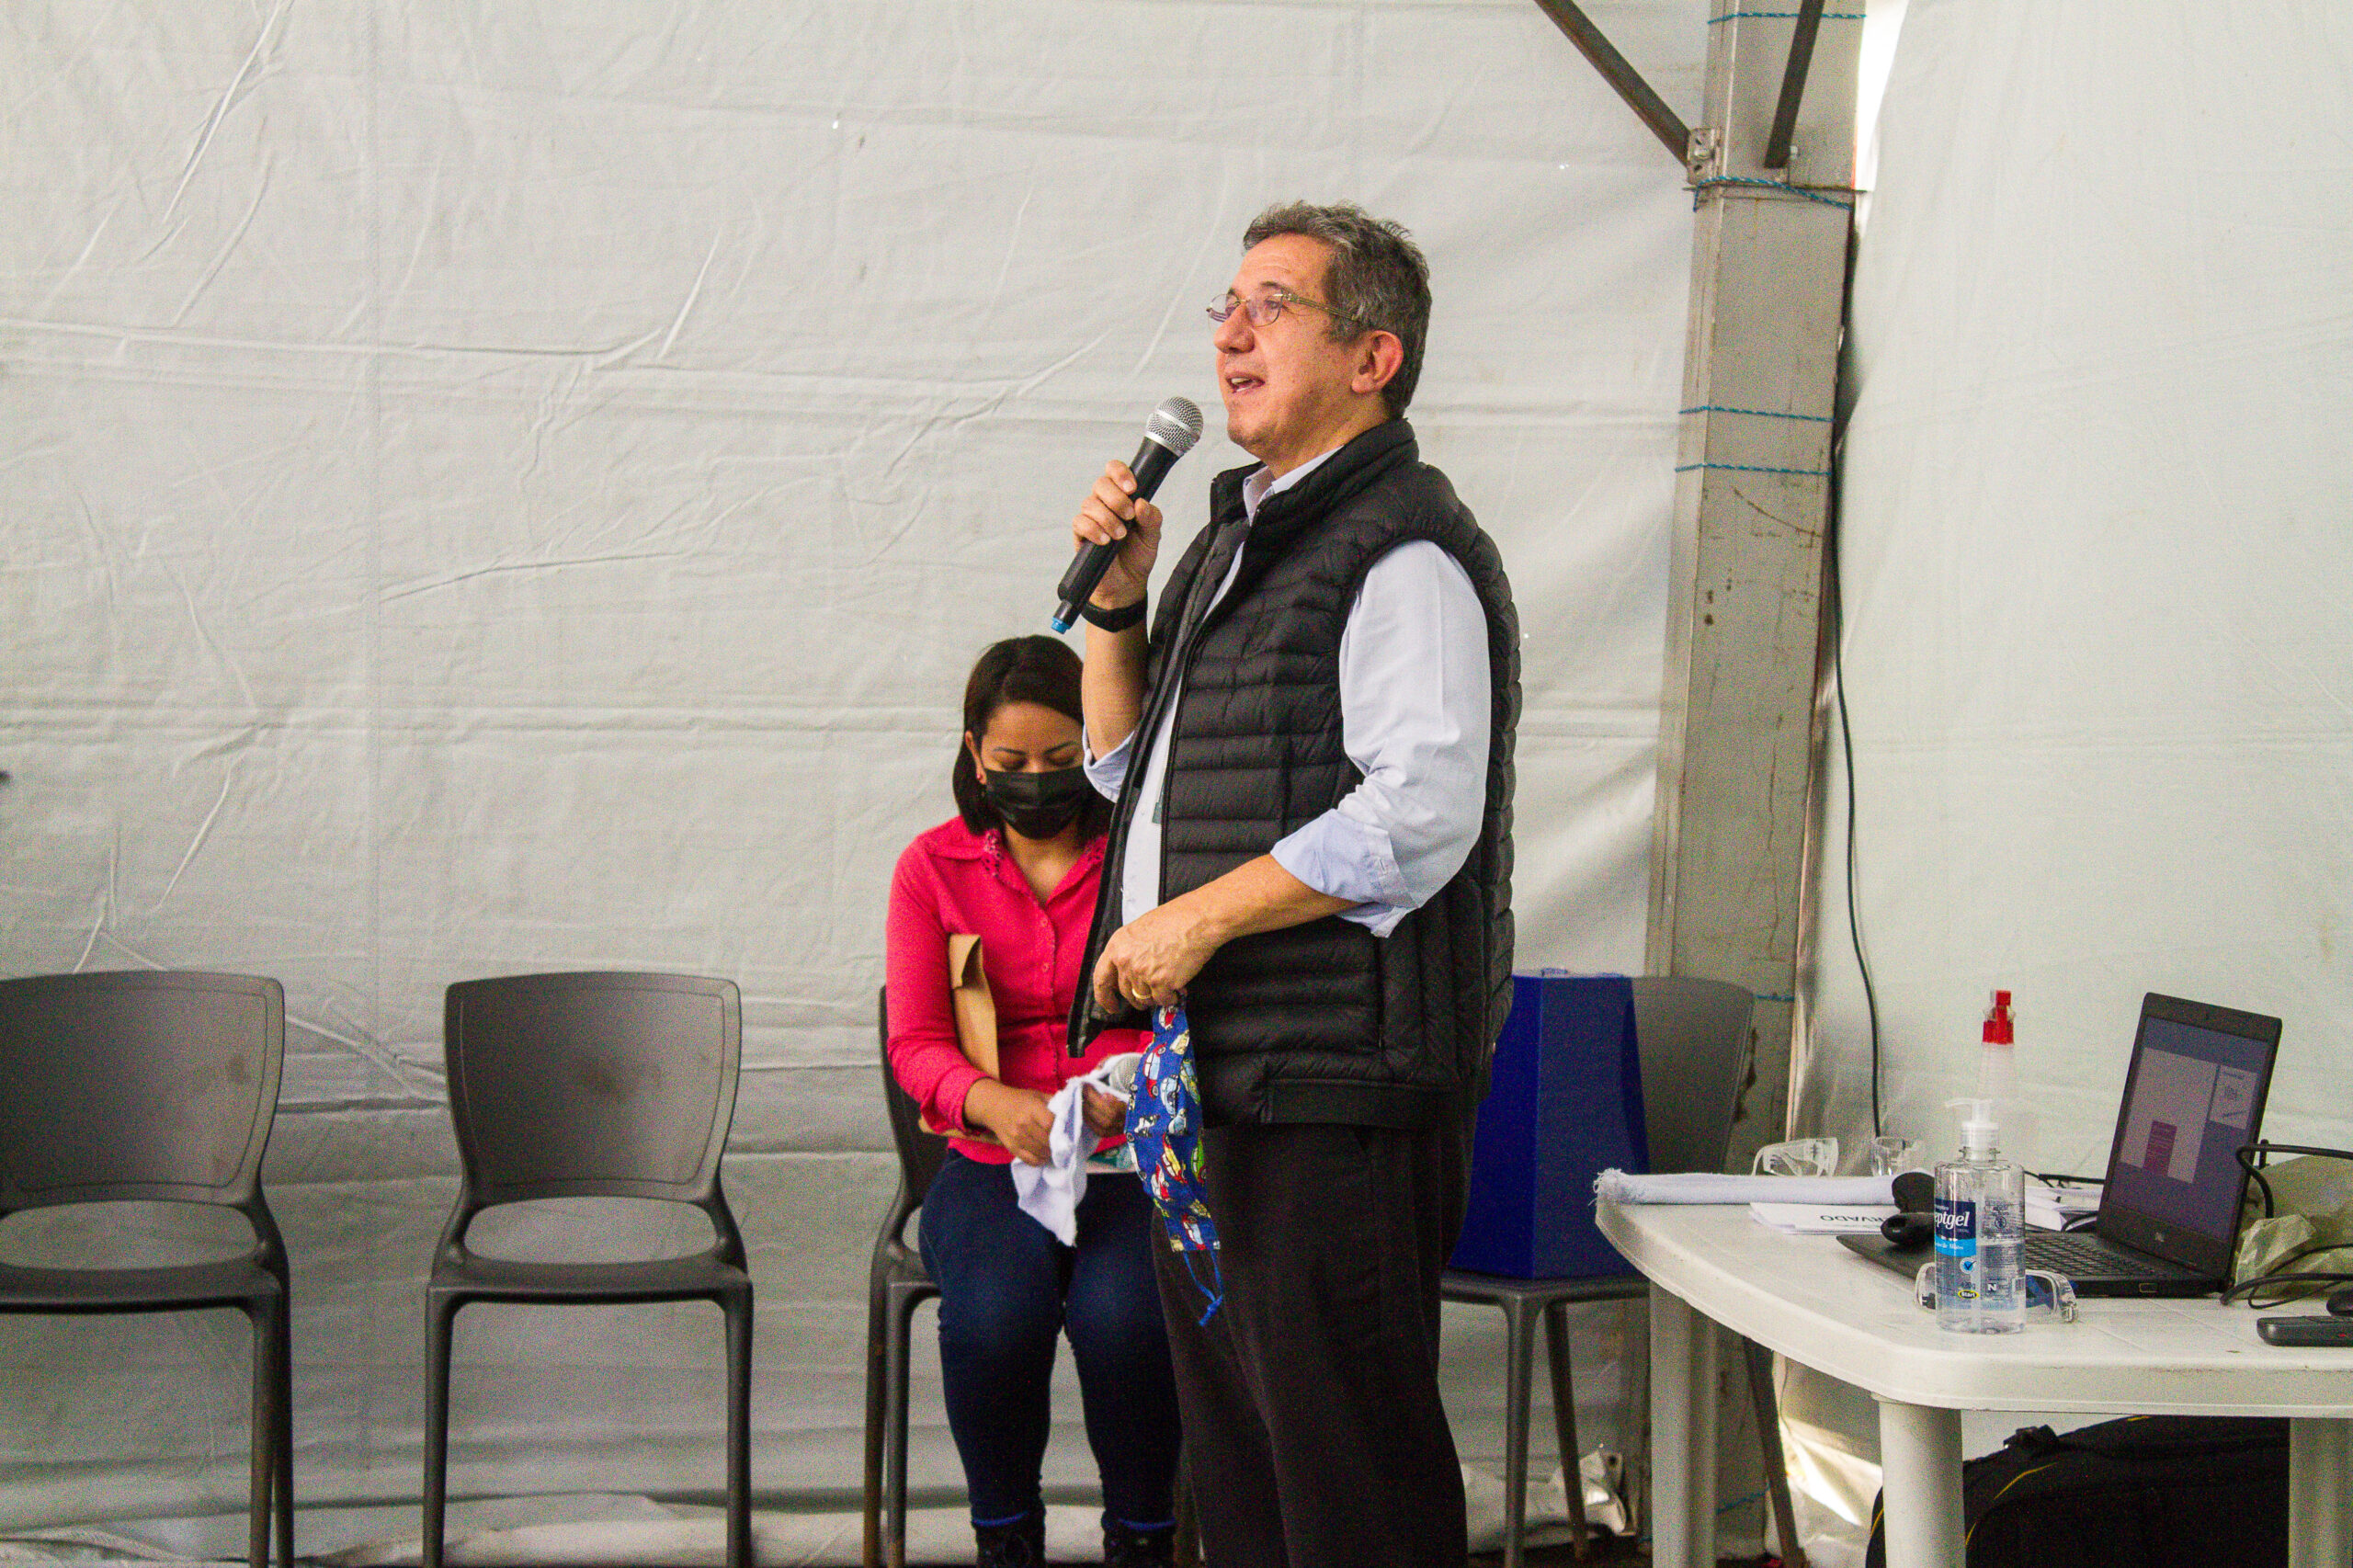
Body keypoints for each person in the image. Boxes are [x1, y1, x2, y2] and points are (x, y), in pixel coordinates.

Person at [1064, 201, 1519, 1567]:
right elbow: (1130, 776)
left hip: (1336, 1088)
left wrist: (1197, 919)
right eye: (1227, 306)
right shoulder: (1238, 541)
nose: (1231, 334)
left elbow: (1420, 809)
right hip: (1225, 1078)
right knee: (1248, 1475)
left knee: (1347, 1482)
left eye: (1273, 306)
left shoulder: (1400, 551)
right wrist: (1118, 606)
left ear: (1373, 358)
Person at [884, 635, 1184, 1568]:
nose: (1036, 782)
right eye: (1010, 762)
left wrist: (1117, 1085)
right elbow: (915, 1042)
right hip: (990, 1159)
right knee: (993, 1320)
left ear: (1095, 749)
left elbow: (1185, 1014)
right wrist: (989, 1100)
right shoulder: (932, 869)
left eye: (1060, 758)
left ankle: (1144, 1539)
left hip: (1127, 1164)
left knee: (1126, 1321)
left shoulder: (1146, 861)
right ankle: (1005, 1539)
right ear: (974, 755)